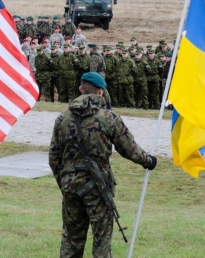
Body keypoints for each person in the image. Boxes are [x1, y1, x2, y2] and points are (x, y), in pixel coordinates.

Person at [49, 72, 156, 258]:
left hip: (71, 186)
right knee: (102, 242)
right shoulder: (108, 118)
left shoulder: (62, 119)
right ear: (100, 92)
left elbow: (54, 157)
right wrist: (149, 161)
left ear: (80, 89)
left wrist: (65, 182)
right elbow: (130, 149)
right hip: (98, 188)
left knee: (71, 240)